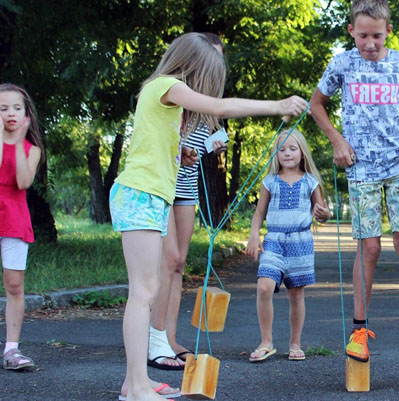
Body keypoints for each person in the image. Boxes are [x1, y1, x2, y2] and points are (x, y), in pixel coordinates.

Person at [109, 32, 308, 401]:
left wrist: (179, 156)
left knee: (146, 290)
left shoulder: (162, 96)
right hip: (139, 194)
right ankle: (135, 387)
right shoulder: (166, 85)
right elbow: (220, 108)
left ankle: (135, 381)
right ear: (191, 66)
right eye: (206, 76)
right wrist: (277, 105)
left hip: (149, 194)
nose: (206, 88)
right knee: (143, 293)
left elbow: (153, 146)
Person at [309, 0, 399, 363]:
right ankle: (358, 331)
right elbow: (315, 103)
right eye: (363, 36)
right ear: (352, 31)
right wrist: (337, 140)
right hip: (362, 168)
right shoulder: (342, 65)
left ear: (388, 32)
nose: (370, 44)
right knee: (369, 247)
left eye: (377, 36)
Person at [147, 33, 227, 371]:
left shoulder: (203, 109)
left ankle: (170, 337)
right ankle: (154, 340)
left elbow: (205, 143)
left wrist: (205, 147)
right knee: (167, 262)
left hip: (186, 188)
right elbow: (154, 141)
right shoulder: (169, 93)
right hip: (161, 186)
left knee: (179, 263)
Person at [245, 129, 331, 362]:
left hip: (300, 242)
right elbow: (259, 212)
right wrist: (254, 234)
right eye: (281, 149)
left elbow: (323, 214)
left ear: (302, 153)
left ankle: (295, 343)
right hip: (274, 240)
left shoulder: (311, 182)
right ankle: (266, 341)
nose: (287, 153)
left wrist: (324, 214)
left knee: (296, 294)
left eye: (292, 148)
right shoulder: (269, 181)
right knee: (264, 287)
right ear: (275, 154)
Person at [0, 84, 44, 371]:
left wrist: (15, 143)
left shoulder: (32, 149)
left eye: (16, 108)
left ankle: (12, 350)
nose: (10, 114)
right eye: (2, 109)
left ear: (27, 114)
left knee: (15, 285)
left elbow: (23, 182)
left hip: (13, 217)